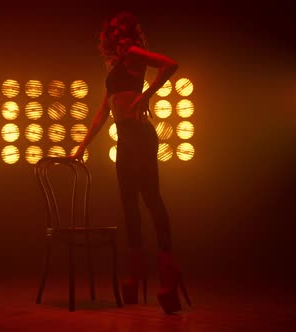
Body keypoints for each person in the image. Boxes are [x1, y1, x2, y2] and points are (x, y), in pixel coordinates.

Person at [70, 10, 190, 314]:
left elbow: (170, 65)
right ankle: (135, 273)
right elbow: (103, 111)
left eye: (109, 32)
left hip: (140, 134)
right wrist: (82, 145)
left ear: (119, 34)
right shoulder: (113, 66)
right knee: (129, 205)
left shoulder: (135, 54)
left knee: (151, 198)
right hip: (124, 137)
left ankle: (167, 269)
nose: (104, 37)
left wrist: (147, 94)